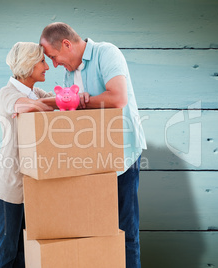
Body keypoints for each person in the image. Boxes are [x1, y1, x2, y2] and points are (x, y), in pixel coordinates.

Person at [40, 22, 147, 268]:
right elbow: (74, 116)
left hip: (121, 156)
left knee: (125, 231)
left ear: (66, 44)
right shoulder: (69, 75)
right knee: (95, 231)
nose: (54, 64)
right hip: (91, 162)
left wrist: (80, 102)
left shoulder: (106, 53)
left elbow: (118, 97)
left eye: (54, 57)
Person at [0, 42, 55, 268]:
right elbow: (24, 107)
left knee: (24, 253)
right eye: (42, 62)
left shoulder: (35, 92)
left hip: (31, 186)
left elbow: (57, 103)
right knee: (8, 250)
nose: (47, 67)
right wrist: (49, 103)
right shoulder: (7, 93)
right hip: (10, 186)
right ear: (28, 65)